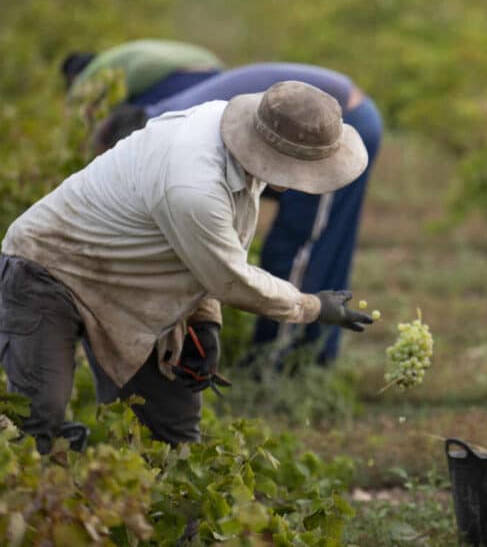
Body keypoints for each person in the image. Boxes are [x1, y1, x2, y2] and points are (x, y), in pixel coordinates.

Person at [0, 81, 374, 453]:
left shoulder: (239, 145)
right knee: (38, 421)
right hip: (47, 267)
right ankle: (45, 502)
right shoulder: (194, 185)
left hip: (137, 281)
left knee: (172, 431)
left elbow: (214, 252)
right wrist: (311, 306)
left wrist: (204, 322)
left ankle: (151, 509)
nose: (297, 186)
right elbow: (231, 278)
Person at [94, 62, 383, 370]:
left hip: (328, 128)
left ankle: (274, 366)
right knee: (320, 244)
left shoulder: (176, 148)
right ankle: (312, 354)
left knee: (299, 248)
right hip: (329, 115)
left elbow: (222, 268)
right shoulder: (164, 122)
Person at [61, 38, 224, 106]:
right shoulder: (118, 55)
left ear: (74, 77)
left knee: (134, 121)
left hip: (178, 78)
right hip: (214, 70)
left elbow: (75, 104)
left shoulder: (88, 74)